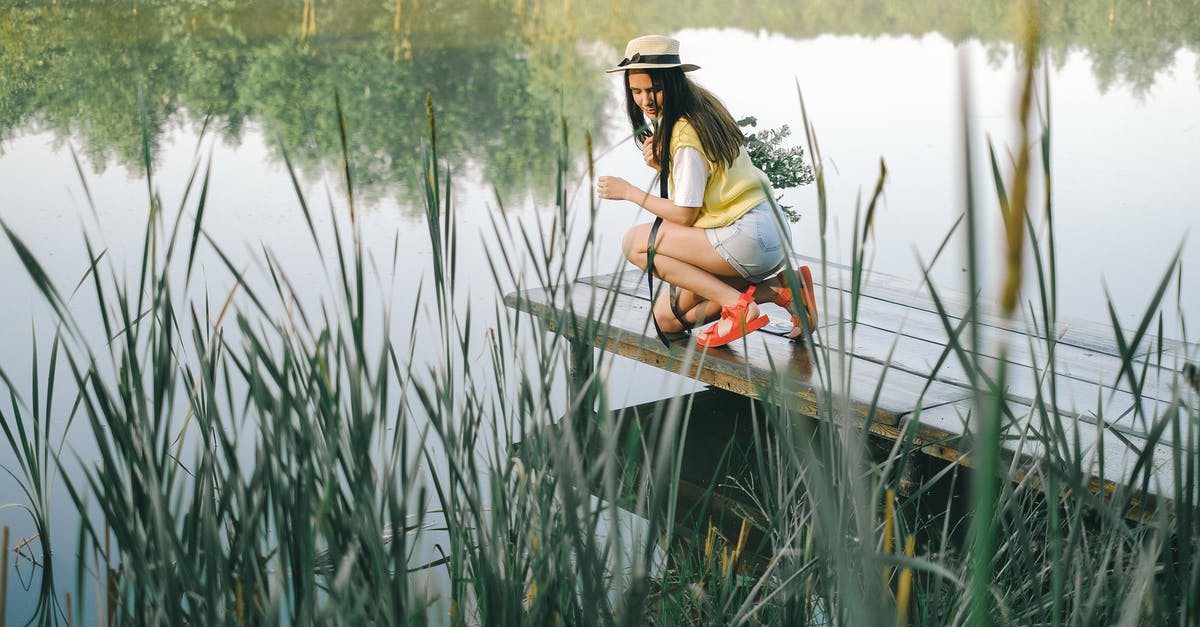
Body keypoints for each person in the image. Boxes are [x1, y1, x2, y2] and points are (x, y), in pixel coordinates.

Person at [596, 34, 817, 348]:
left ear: (672, 83)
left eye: (654, 89)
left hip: (744, 238)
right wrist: (664, 166)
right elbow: (707, 185)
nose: (645, 101)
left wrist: (630, 192)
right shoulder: (704, 105)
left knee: (635, 243)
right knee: (666, 320)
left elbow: (685, 216)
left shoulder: (683, 131)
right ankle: (780, 288)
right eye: (636, 91)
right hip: (770, 231)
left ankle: (737, 304)